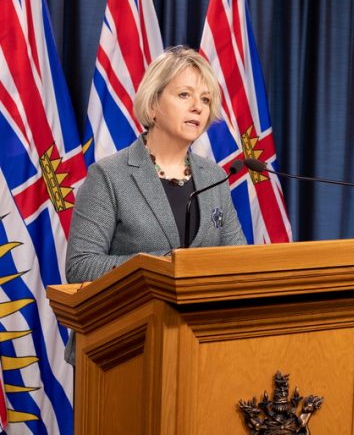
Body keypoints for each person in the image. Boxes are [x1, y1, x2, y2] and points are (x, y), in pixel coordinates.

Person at [64, 46, 246, 364]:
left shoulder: (215, 177)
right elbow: (80, 266)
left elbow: (237, 261)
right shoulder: (109, 175)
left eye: (205, 100)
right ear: (152, 105)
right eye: (184, 95)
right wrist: (163, 265)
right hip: (121, 349)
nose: (198, 107)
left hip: (200, 348)